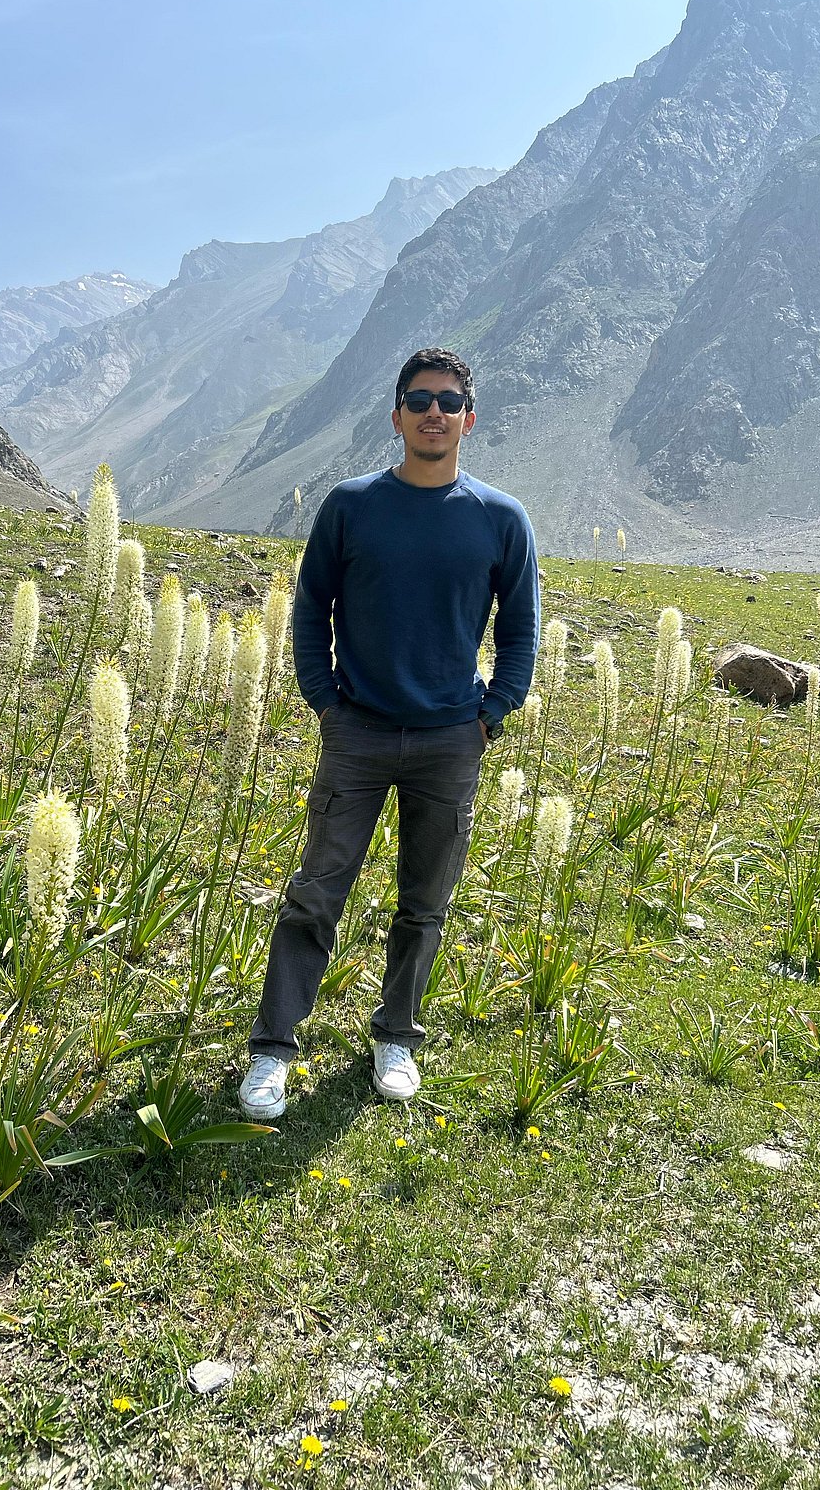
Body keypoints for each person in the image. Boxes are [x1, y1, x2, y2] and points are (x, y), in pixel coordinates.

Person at [238, 347, 540, 1119]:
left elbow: (521, 633)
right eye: (419, 399)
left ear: (470, 416)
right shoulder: (351, 505)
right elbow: (311, 610)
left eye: (448, 400)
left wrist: (490, 714)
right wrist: (325, 700)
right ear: (396, 414)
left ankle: (396, 1033)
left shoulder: (502, 519)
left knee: (424, 901)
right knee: (315, 892)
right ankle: (273, 1050)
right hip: (358, 733)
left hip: (450, 740)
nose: (434, 412)